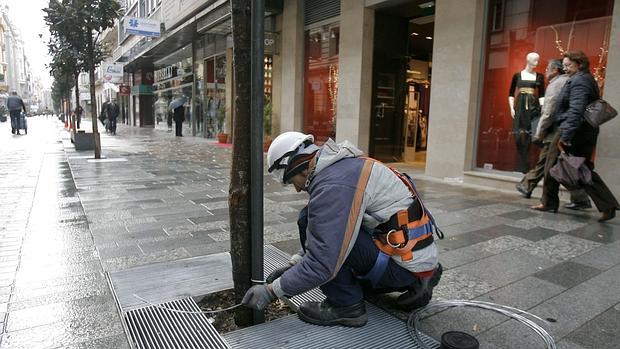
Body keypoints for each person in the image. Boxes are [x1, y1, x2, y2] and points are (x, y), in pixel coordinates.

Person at [242, 132, 443, 327]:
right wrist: (295, 264)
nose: (297, 189)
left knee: (308, 221)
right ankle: (422, 278)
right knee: (315, 220)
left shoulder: (334, 186)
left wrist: (271, 291)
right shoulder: (344, 167)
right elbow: (332, 229)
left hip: (402, 265)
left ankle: (347, 306)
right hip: (415, 257)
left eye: (292, 181)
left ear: (300, 166)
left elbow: (322, 263)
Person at [534, 51, 619, 222]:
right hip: (580, 130)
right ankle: (606, 205)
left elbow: (576, 110)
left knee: (562, 166)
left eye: (568, 65)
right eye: (564, 65)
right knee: (580, 168)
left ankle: (550, 202)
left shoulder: (580, 81)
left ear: (580, 64)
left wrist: (566, 135)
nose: (565, 69)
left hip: (573, 131)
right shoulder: (583, 79)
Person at [515, 59, 590, 209]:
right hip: (563, 129)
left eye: (548, 68)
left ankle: (570, 198)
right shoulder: (569, 81)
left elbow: (550, 111)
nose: (546, 71)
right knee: (553, 163)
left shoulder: (559, 84)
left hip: (558, 130)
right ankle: (531, 187)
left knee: (556, 165)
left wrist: (540, 131)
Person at [508, 52, 545, 173]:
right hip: (519, 106)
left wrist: (542, 109)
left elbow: (542, 95)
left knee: (530, 135)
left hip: (533, 107)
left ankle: (524, 164)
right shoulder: (517, 76)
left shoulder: (539, 77)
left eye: (538, 60)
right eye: (535, 60)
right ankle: (523, 160)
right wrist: (511, 108)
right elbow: (511, 93)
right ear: (528, 60)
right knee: (517, 135)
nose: (537, 63)